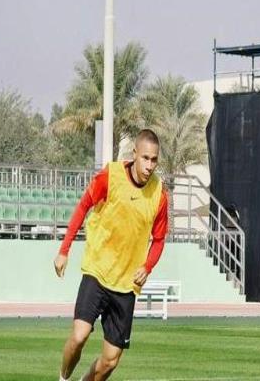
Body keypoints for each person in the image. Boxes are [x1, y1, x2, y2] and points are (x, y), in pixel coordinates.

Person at [54, 128, 168, 381]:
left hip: (126, 285)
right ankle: (63, 378)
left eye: (154, 160)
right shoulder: (111, 176)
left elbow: (159, 240)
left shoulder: (159, 194)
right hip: (98, 271)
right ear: (135, 153)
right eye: (145, 158)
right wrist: (64, 250)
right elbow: (83, 206)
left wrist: (147, 266)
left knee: (110, 361)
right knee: (79, 336)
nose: (149, 165)